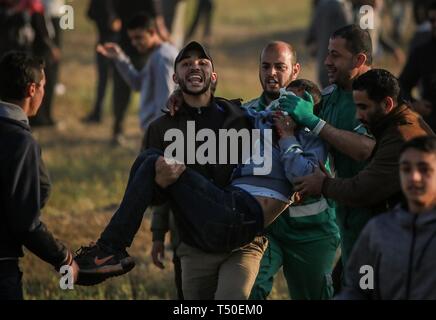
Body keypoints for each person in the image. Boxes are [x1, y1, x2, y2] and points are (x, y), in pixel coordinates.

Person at [245, 42, 340, 300]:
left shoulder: (317, 113)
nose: (271, 73)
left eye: (280, 66)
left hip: (312, 231)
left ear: (295, 70)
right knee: (248, 291)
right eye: (265, 66)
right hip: (266, 228)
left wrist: (288, 136)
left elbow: (306, 175)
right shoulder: (249, 113)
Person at [289, 68, 433, 212]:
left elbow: (362, 191)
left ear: (387, 104)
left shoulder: (400, 136)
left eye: (363, 107)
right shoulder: (404, 119)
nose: (358, 116)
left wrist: (324, 184)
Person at [0, 51, 78, 299]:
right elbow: (26, 223)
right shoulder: (20, 142)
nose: (45, 92)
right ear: (32, 90)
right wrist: (63, 257)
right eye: (44, 86)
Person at [336, 136, 436, 300]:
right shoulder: (378, 230)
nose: (414, 178)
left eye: (424, 169)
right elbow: (360, 288)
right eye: (406, 169)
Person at [96, 13, 178, 138]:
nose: (134, 43)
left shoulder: (162, 57)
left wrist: (158, 139)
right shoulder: (156, 54)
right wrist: (119, 57)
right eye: (132, 39)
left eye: (138, 37)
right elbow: (138, 83)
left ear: (152, 32)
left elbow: (165, 103)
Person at [399, 1, 436, 132]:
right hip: (431, 127)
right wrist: (414, 104)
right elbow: (401, 85)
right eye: (432, 20)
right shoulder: (422, 53)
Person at [83, 0, 120, 123]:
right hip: (107, 40)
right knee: (105, 81)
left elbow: (90, 14)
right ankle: (100, 114)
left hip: (112, 41)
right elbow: (90, 13)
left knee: (109, 81)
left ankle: (110, 115)